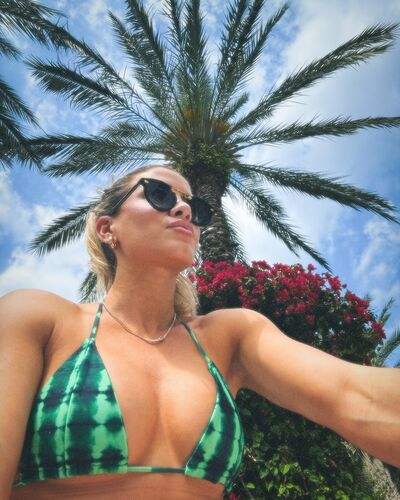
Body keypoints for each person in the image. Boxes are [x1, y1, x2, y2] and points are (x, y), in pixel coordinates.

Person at [1, 164, 399, 500]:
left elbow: (359, 399)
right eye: (159, 194)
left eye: (197, 208)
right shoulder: (40, 319)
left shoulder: (228, 338)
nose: (184, 210)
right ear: (108, 229)